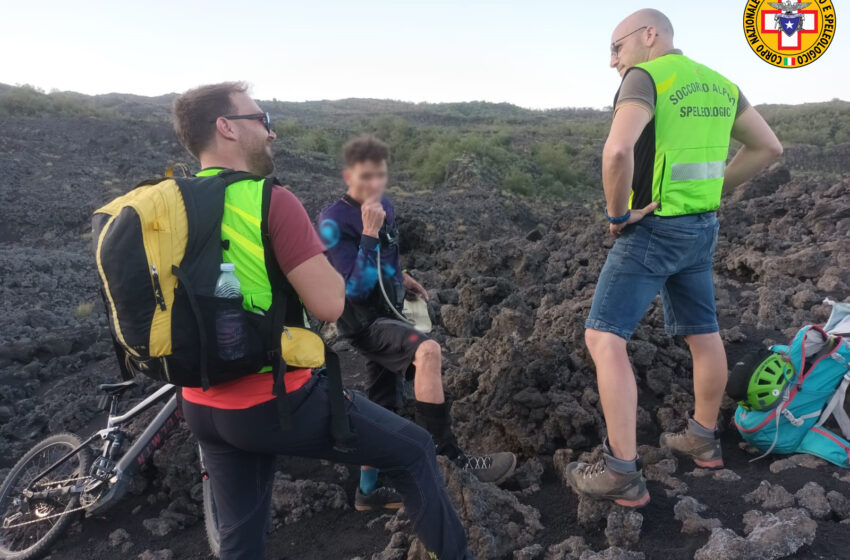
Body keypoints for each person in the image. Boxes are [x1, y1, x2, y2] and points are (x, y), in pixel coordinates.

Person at [173, 82, 470, 560]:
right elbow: (333, 305)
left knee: (240, 544)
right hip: (272, 400)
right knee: (415, 450)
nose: (271, 132)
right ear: (225, 128)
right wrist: (358, 244)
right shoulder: (269, 199)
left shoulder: (177, 203)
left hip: (201, 405)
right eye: (261, 119)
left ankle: (369, 487)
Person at [565, 9, 783, 508]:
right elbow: (768, 146)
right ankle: (702, 439)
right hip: (701, 228)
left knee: (603, 337)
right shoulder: (720, 83)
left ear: (648, 35)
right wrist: (714, 189)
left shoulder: (647, 77)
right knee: (702, 332)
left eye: (615, 49)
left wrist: (618, 214)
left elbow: (617, 152)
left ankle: (620, 471)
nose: (613, 62)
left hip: (654, 229)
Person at [317, 135, 517, 509]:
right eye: (366, 177)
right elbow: (354, 288)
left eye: (380, 176)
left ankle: (369, 490)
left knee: (382, 405)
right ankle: (448, 460)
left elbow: (388, 258)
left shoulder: (385, 205)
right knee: (427, 352)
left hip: (389, 310)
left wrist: (402, 277)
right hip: (362, 322)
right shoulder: (332, 221)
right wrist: (368, 234)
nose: (374, 185)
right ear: (348, 175)